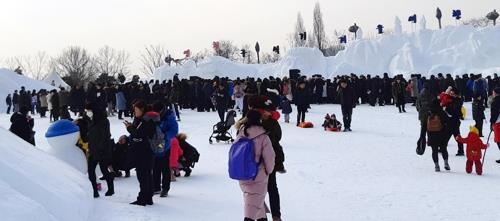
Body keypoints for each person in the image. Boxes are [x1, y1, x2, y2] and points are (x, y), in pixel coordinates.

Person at [235, 109, 275, 221]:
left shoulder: (241, 133)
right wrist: (269, 170)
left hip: (242, 173)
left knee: (254, 200)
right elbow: (270, 157)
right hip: (258, 174)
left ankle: (262, 218)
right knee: (253, 203)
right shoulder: (263, 136)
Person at [125, 100, 155, 206]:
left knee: (143, 176)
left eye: (136, 110)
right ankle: (148, 197)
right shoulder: (142, 119)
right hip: (145, 152)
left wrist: (129, 128)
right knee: (147, 175)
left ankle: (143, 199)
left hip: (144, 152)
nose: (134, 112)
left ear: (142, 110)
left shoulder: (145, 120)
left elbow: (139, 134)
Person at [85, 103, 114, 198]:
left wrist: (101, 149)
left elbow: (105, 136)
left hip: (102, 150)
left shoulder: (104, 121)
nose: (87, 113)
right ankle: (94, 190)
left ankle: (111, 188)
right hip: (93, 149)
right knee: (91, 170)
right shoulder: (91, 120)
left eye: (89, 111)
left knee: (104, 170)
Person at [153, 102, 178, 198]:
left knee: (164, 167)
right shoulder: (151, 114)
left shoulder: (169, 116)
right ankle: (155, 187)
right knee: (155, 166)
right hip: (153, 144)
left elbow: (174, 130)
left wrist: (164, 136)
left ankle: (165, 188)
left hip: (164, 145)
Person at [426, 99, 450, 172]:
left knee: (434, 151)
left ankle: (436, 166)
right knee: (443, 149)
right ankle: (446, 163)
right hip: (441, 134)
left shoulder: (428, 113)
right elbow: (447, 122)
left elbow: (424, 125)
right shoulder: (441, 112)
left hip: (431, 135)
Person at [416, 83, 432, 152]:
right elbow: (433, 104)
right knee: (430, 129)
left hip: (422, 115)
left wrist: (420, 111)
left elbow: (417, 105)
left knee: (423, 130)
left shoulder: (420, 95)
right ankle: (430, 141)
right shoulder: (430, 95)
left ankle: (421, 144)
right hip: (429, 115)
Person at [490, 87, 500, 163]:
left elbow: (494, 114)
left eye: (493, 92)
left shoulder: (495, 101)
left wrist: (492, 123)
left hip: (498, 122)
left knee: (498, 140)